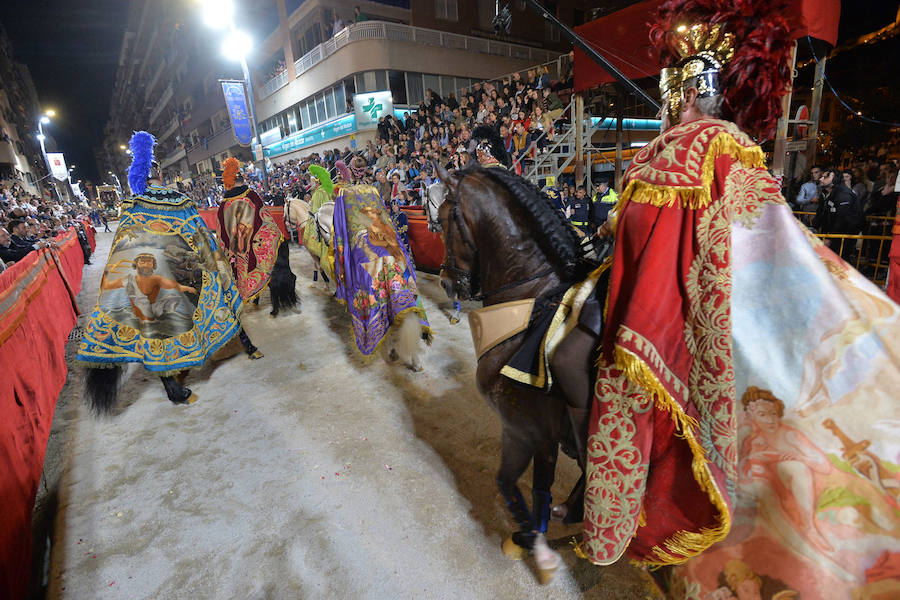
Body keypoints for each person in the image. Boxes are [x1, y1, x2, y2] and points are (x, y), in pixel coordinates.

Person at [567, 4, 900, 599]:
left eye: (669, 85)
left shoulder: (672, 155)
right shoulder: (743, 147)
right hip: (757, 315)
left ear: (684, 90)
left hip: (683, 322)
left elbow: (646, 255)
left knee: (581, 358)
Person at [77, 131, 261, 411]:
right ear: (160, 174)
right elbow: (200, 238)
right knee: (183, 318)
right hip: (176, 272)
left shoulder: (132, 206)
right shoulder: (178, 200)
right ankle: (182, 378)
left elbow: (122, 245)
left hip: (142, 276)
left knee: (151, 326)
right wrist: (215, 264)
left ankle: (172, 386)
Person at [217, 158, 299, 318]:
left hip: (240, 251)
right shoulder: (252, 196)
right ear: (242, 179)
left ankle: (253, 296)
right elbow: (265, 220)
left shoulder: (223, 205)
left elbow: (223, 236)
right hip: (259, 243)